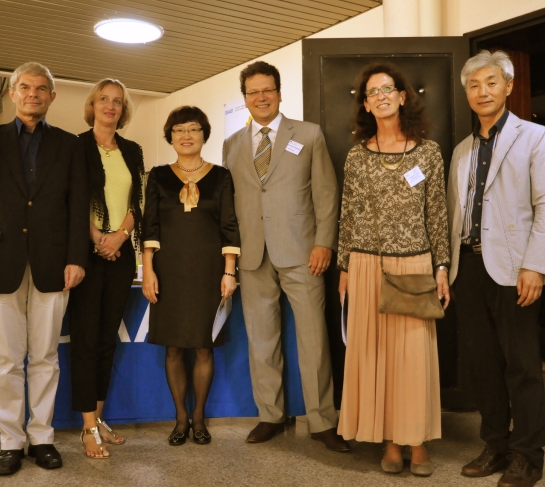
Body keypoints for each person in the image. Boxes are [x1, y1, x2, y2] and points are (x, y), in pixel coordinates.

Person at [0, 62, 89, 476]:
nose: (33, 94)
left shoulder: (70, 145)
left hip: (54, 264)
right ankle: (10, 441)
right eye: (25, 87)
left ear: (52, 97)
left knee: (46, 357)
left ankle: (42, 437)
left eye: (41, 88)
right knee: (6, 359)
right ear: (13, 94)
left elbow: (76, 208)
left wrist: (76, 257)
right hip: (0, 262)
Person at [222, 61, 348, 451]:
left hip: (303, 252)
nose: (260, 97)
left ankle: (323, 421)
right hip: (253, 254)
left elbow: (326, 193)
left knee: (313, 340)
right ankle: (270, 416)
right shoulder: (232, 144)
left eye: (267, 90)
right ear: (245, 98)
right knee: (262, 340)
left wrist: (324, 242)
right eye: (253, 92)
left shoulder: (308, 134)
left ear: (279, 92)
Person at [336, 63, 450, 476]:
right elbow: (347, 215)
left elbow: (437, 213)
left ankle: (417, 441)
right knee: (377, 356)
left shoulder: (428, 153)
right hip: (366, 265)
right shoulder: (356, 155)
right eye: (372, 92)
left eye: (388, 89)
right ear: (365, 104)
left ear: (403, 96)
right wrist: (344, 267)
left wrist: (441, 266)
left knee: (412, 358)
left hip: (415, 263)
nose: (381, 96)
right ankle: (389, 440)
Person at [448, 50, 545, 487]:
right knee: (482, 364)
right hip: (468, 268)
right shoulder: (461, 151)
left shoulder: (535, 137)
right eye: (473, 85)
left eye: (491, 82)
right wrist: (443, 267)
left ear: (507, 86)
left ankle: (528, 453)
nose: (482, 91)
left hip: (514, 268)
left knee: (523, 365)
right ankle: (496, 444)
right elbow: (454, 214)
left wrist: (536, 265)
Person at [142, 106, 240, 446]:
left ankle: (199, 416)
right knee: (172, 348)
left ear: (204, 135)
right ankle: (180, 418)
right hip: (169, 272)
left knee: (203, 347)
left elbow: (229, 225)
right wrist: (148, 270)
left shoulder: (221, 176)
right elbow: (149, 226)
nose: (186, 135)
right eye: (179, 129)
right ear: (170, 136)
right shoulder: (157, 175)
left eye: (194, 129)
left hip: (208, 271)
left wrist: (229, 271)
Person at [67, 78, 144, 459]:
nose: (111, 106)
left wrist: (119, 236)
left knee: (105, 341)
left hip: (121, 255)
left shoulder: (132, 149)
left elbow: (138, 201)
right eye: (104, 100)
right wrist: (99, 238)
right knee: (84, 340)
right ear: (93, 105)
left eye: (117, 101)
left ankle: (98, 420)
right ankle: (85, 428)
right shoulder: (76, 146)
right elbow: (72, 201)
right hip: (87, 253)